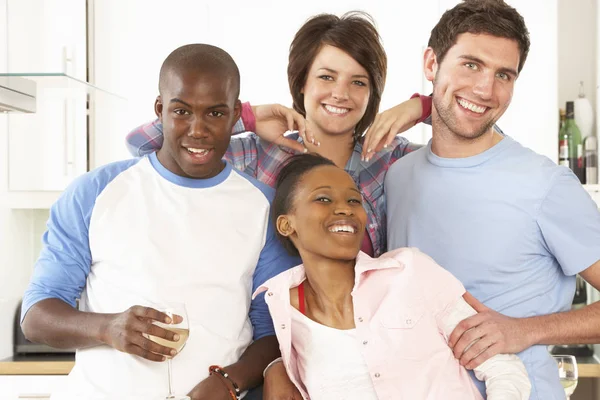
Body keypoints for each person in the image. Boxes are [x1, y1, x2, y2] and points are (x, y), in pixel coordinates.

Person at [20, 44, 298, 400]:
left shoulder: (264, 206)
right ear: (160, 109)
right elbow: (37, 316)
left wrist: (229, 380)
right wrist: (108, 328)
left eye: (215, 113)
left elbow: (275, 332)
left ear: (234, 117)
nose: (197, 130)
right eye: (182, 111)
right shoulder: (95, 192)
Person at [385, 1, 600, 399]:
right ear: (431, 63)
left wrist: (524, 329)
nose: (486, 89)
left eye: (504, 74)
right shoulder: (398, 177)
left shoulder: (545, 185)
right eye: (471, 64)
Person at [125, 11, 433, 259]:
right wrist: (245, 116)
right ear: (302, 83)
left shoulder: (391, 158)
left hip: (362, 326)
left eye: (358, 82)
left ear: (372, 93)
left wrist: (420, 107)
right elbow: (143, 145)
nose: (341, 94)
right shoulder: (260, 154)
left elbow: (467, 145)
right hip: (266, 325)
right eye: (326, 77)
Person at [254, 153, 531, 399]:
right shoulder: (282, 309)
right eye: (323, 199)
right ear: (286, 224)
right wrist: (271, 367)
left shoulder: (410, 271)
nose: (345, 208)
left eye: (354, 199)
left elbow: (503, 369)